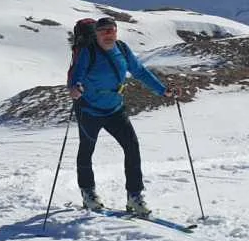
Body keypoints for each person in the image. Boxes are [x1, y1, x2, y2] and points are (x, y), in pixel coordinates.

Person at [66, 17, 175, 216]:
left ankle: (134, 196)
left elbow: (139, 71)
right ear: (96, 34)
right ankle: (88, 192)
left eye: (111, 30)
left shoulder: (122, 50)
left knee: (132, 146)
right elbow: (76, 76)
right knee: (87, 150)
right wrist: (75, 88)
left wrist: (162, 90)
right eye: (103, 31)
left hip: (115, 109)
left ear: (116, 32)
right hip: (89, 110)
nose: (108, 35)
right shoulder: (87, 52)